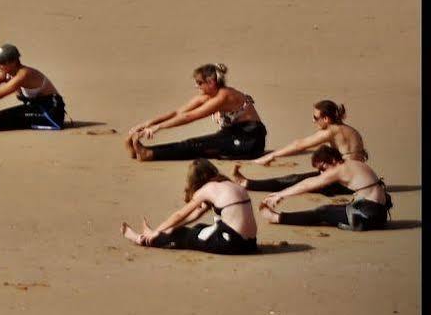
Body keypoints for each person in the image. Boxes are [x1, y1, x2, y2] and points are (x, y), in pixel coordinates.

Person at [125, 63, 266, 161]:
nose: (196, 86)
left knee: (196, 145)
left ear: (211, 82)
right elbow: (178, 113)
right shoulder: (206, 96)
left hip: (250, 139)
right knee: (195, 143)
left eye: (199, 83)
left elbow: (190, 116)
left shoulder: (224, 95)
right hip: (231, 134)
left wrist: (158, 128)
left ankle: (149, 153)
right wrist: (146, 124)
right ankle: (146, 152)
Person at [120, 159, 257, 254]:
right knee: (199, 228)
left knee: (183, 235)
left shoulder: (207, 189)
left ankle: (143, 239)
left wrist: (157, 231)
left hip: (233, 244)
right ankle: (157, 235)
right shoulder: (228, 184)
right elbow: (196, 214)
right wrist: (169, 228)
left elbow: (180, 215)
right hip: (250, 244)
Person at [240, 100, 367, 191]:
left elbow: (299, 145)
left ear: (326, 119)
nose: (313, 120)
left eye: (315, 117)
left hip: (347, 181)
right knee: (301, 178)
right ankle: (250, 183)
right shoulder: (345, 129)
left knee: (295, 179)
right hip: (358, 176)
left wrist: (271, 155)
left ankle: (249, 184)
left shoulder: (331, 131)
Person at [257, 147, 393, 231]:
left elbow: (309, 183)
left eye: (323, 168)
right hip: (379, 214)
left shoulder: (340, 169)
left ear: (333, 160)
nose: (322, 173)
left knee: (323, 212)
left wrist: (280, 195)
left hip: (367, 216)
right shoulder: (352, 164)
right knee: (334, 209)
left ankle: (277, 218)